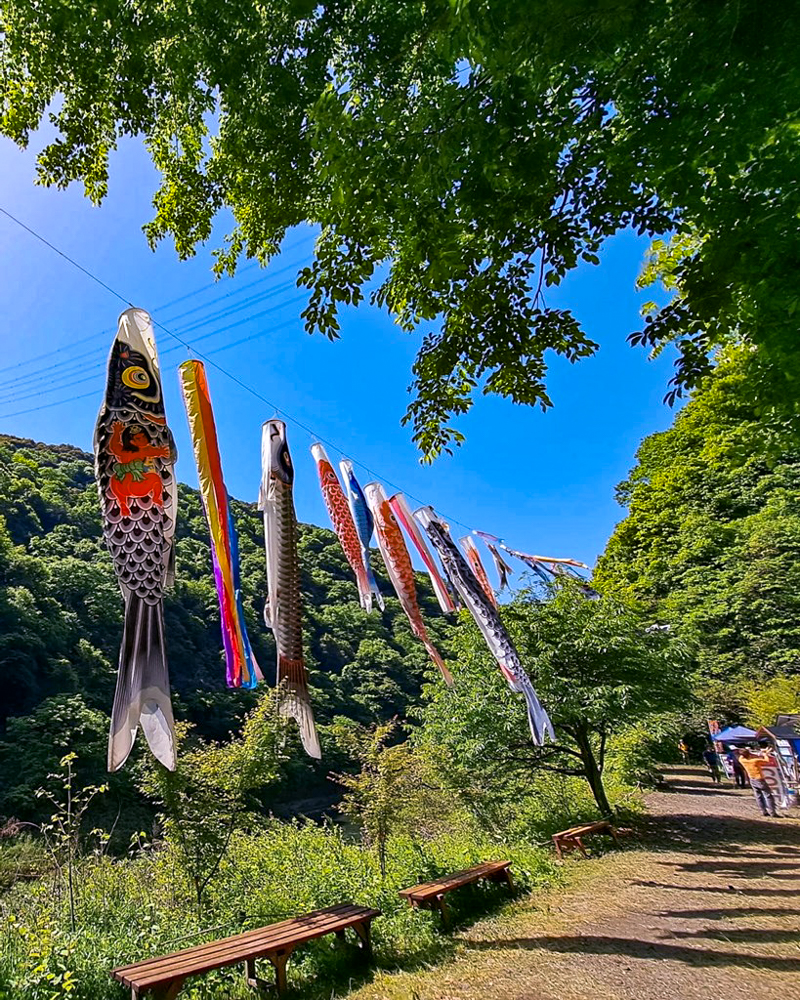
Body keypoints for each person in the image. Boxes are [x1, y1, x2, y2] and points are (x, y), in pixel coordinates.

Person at [738, 748, 780, 817]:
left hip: (752, 779)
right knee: (768, 795)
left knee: (758, 796)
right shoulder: (755, 761)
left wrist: (759, 752)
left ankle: (763, 811)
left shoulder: (742, 760)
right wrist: (765, 754)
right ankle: (773, 812)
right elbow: (767, 760)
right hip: (760, 779)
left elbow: (742, 755)